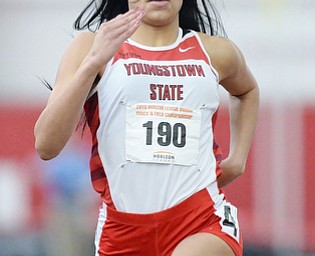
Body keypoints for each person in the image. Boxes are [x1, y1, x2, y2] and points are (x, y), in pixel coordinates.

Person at [34, 0, 259, 255]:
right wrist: (92, 63)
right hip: (123, 230)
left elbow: (247, 90)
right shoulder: (91, 47)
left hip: (200, 219)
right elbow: (46, 145)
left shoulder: (216, 52)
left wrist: (238, 158)